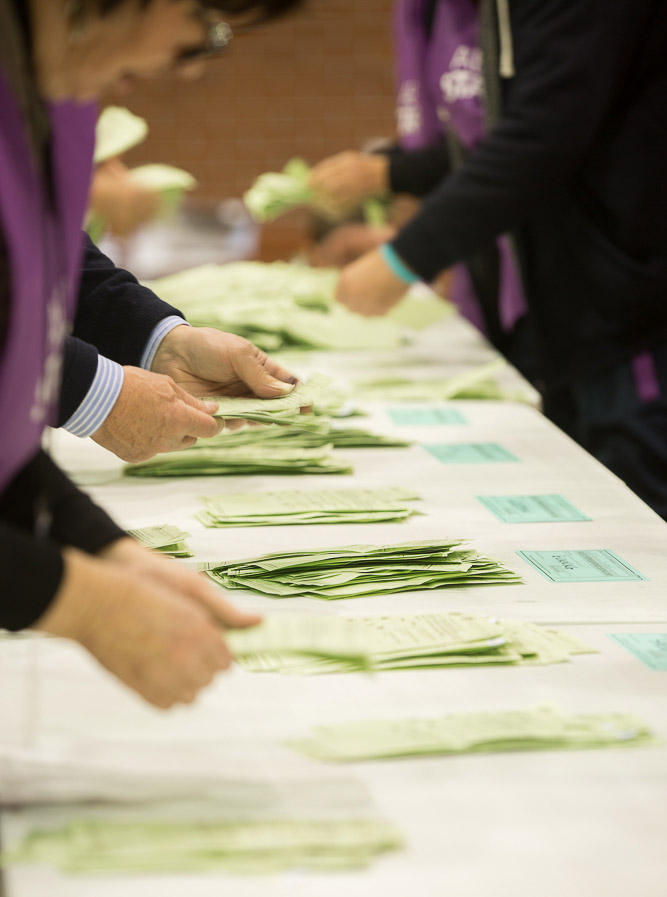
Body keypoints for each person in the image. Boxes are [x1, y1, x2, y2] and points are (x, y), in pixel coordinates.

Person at [0, 0, 302, 708]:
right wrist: (81, 600)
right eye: (202, 18)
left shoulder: (47, 70)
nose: (194, 57)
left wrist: (106, 548)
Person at [309, 0, 667, 519]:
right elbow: (492, 134)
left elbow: (541, 133)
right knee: (596, 509)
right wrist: (397, 175)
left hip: (628, 308)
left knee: (640, 518)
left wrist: (406, 256)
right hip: (572, 307)